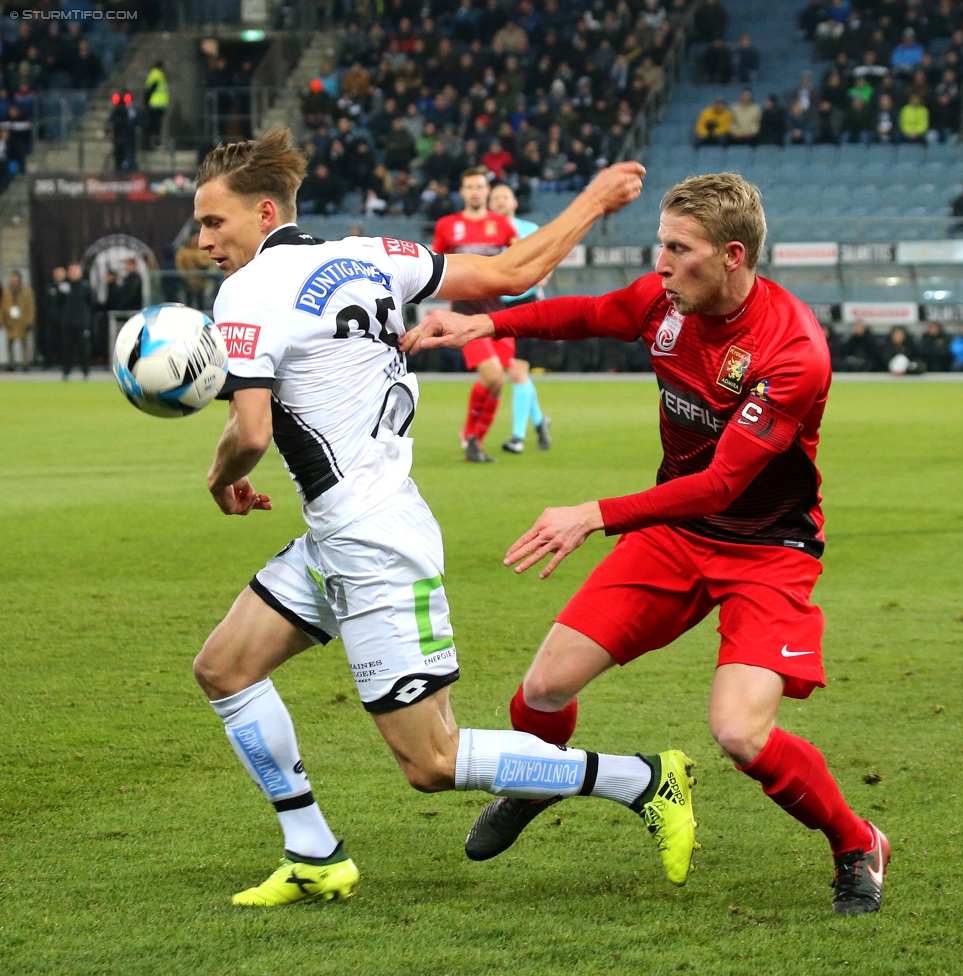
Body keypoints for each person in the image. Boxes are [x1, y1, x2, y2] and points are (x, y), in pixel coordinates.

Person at [189, 127, 682, 909]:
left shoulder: (246, 292)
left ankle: (641, 779)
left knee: (433, 762)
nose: (204, 239)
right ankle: (315, 852)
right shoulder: (370, 253)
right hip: (342, 530)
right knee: (224, 669)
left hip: (372, 540)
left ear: (263, 211)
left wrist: (221, 481)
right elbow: (519, 271)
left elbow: (249, 431)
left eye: (215, 222)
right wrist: (592, 199)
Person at [404, 172, 890, 917]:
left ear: (732, 254)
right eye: (659, 242)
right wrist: (489, 325)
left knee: (739, 732)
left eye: (676, 248)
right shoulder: (666, 302)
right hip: (673, 535)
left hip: (767, 550)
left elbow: (724, 484)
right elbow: (594, 313)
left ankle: (858, 842)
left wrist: (593, 512)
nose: (659, 261)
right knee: (541, 690)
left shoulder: (791, 350)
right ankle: (543, 777)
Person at [430, 165, 518, 463]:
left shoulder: (503, 226)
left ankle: (474, 441)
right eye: (470, 187)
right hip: (466, 317)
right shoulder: (447, 225)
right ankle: (470, 436)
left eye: (480, 186)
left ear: (487, 190)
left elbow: (519, 257)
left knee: (498, 382)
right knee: (492, 375)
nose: (476, 192)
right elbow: (435, 264)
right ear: (462, 191)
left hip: (499, 315)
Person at [487, 181, 551, 454]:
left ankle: (517, 437)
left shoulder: (529, 230)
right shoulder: (486, 234)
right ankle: (539, 421)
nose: (501, 201)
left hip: (526, 305)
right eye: (496, 197)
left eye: (506, 196)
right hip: (495, 305)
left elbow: (545, 265)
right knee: (514, 372)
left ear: (514, 202)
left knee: (517, 371)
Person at [61, 263, 93, 380]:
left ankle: (85, 372)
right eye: (72, 271)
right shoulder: (64, 286)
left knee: (83, 348)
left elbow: (90, 303)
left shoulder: (86, 286)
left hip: (82, 322)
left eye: (76, 271)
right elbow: (59, 303)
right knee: (67, 348)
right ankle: (66, 372)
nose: (74, 274)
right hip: (68, 322)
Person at [1, 270, 34, 370]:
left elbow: (30, 307)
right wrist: (1, 319)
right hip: (10, 320)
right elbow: (2, 306)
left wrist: (30, 321)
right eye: (12, 279)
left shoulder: (26, 291)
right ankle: (11, 363)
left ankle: (25, 363)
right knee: (10, 343)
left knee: (24, 343)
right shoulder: (6, 291)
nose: (14, 281)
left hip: (22, 320)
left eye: (15, 279)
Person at [144, 61, 169, 150]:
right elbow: (150, 91)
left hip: (156, 104)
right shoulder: (158, 76)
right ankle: (153, 144)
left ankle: (150, 144)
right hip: (156, 104)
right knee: (155, 125)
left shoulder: (154, 75)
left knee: (154, 125)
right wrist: (146, 103)